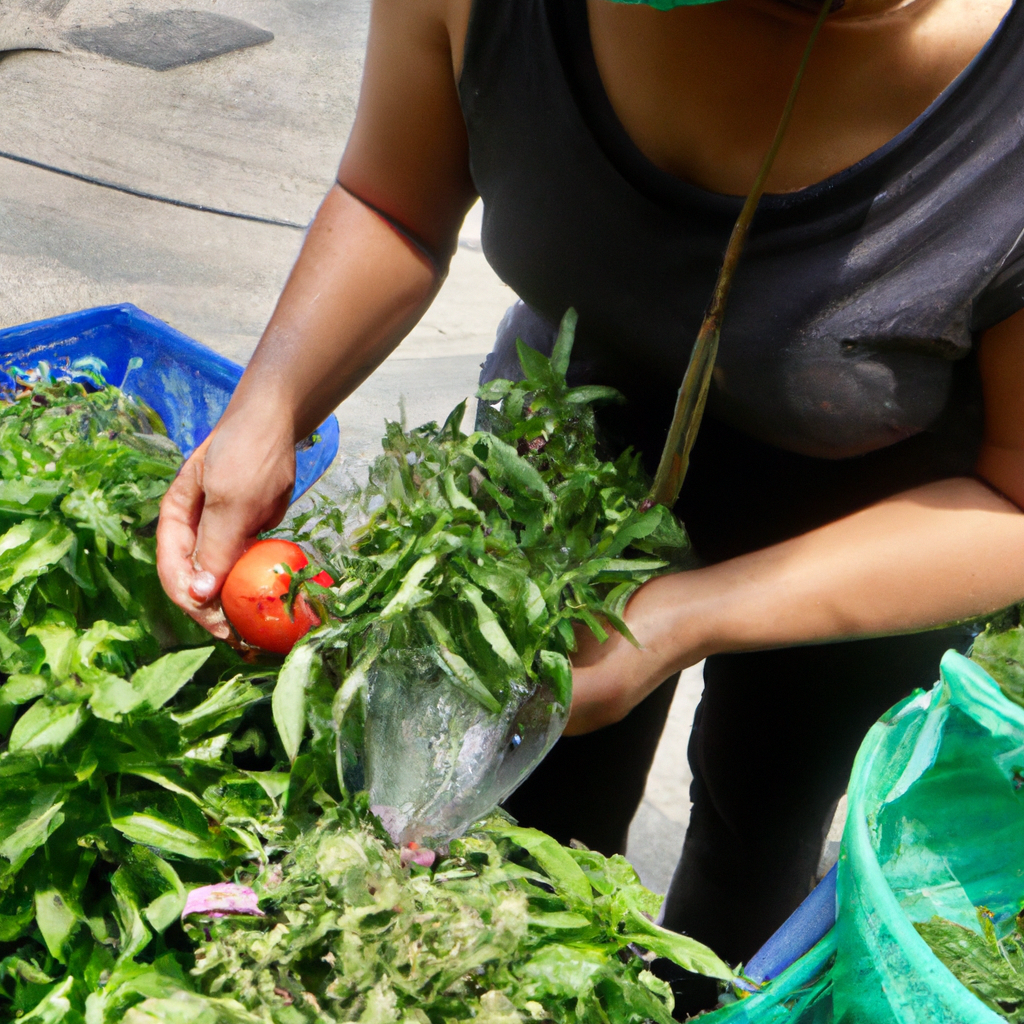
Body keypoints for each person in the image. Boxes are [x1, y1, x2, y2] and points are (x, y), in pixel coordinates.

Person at [157, 0, 1024, 1012]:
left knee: (758, 829)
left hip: (873, 524)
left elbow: (1013, 499)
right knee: (517, 831)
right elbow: (390, 197)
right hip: (558, 470)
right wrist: (271, 404)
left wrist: (686, 616)